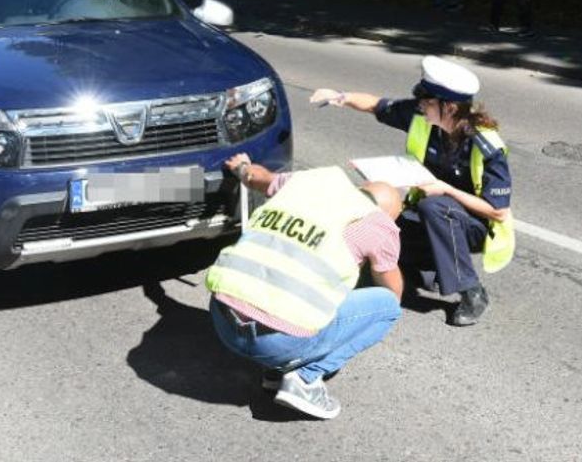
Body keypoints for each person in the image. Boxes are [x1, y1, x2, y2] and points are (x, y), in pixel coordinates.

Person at [309, 55, 515, 327]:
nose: (420, 105)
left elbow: (498, 212)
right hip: (430, 216)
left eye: (427, 101)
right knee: (380, 222)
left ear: (450, 107)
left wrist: (446, 189)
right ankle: (425, 268)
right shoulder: (422, 118)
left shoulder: (485, 145)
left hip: (474, 225)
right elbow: (377, 105)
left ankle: (472, 292)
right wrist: (341, 96)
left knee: (436, 206)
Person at [205, 155, 405, 420]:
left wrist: (241, 167)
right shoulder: (377, 224)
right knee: (387, 308)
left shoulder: (306, 183)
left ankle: (277, 370)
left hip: (223, 322)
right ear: (388, 215)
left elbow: (257, 178)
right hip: (277, 343)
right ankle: (304, 378)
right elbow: (392, 293)